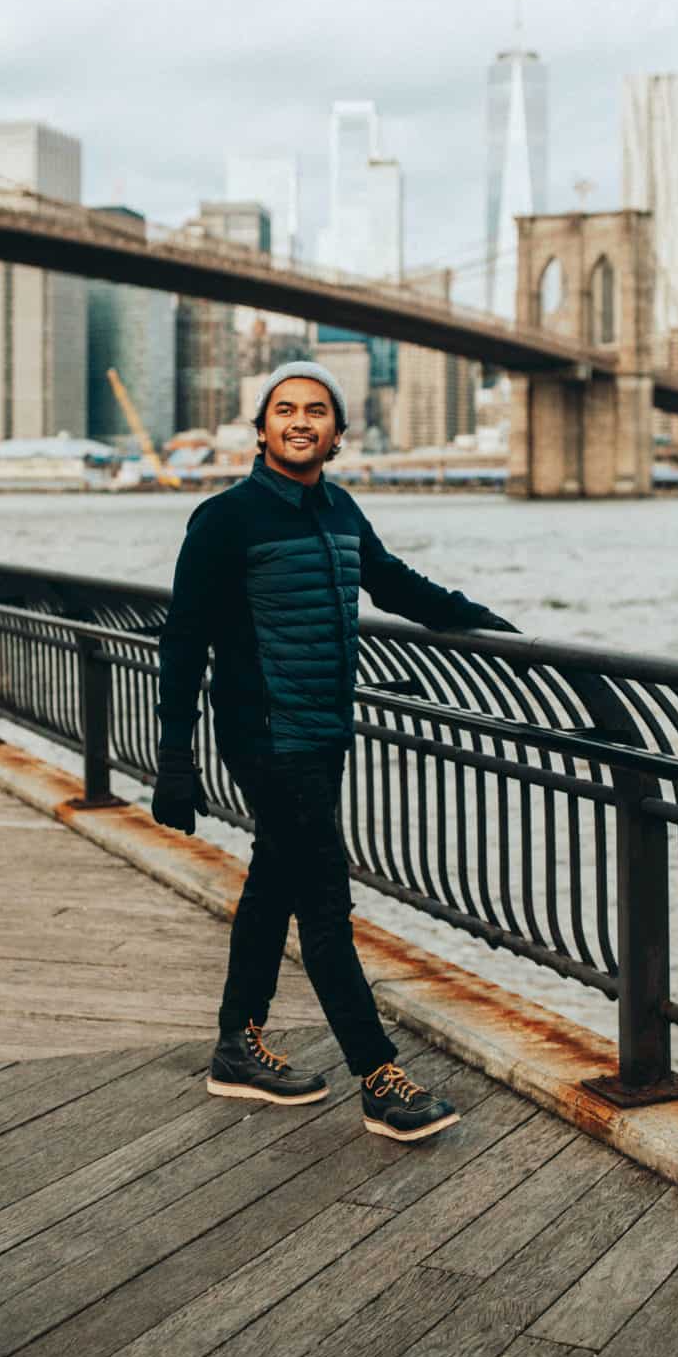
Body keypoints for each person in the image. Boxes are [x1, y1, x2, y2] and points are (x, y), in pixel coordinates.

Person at [151, 359, 516, 1143]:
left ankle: (235, 1045)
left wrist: (485, 623)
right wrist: (172, 757)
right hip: (264, 734)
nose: (299, 421)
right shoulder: (225, 520)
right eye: (284, 410)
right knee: (324, 900)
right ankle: (378, 1076)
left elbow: (392, 584)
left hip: (324, 731)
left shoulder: (340, 509)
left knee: (274, 882)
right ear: (259, 430)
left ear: (338, 434)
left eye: (316, 411)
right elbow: (182, 640)